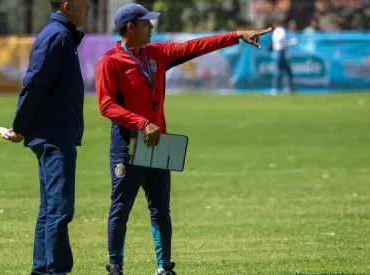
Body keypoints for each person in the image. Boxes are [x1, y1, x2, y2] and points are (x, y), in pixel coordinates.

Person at [94, 3, 272, 275]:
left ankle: (164, 268)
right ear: (130, 27)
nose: (152, 27)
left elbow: (196, 46)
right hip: (127, 147)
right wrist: (141, 123)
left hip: (158, 145)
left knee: (161, 209)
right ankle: (115, 267)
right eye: (146, 23)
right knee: (121, 208)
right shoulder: (110, 61)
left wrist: (237, 35)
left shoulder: (156, 53)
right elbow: (106, 105)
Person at [2, 1, 90, 274]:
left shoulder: (61, 35)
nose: (88, 6)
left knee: (50, 209)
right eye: (83, 2)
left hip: (54, 133)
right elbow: (35, 81)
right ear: (67, 6)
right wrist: (20, 125)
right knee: (60, 210)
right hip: (55, 135)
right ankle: (57, 271)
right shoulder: (57, 36)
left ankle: (42, 271)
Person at [270, 19, 298, 95]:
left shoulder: (277, 30)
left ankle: (286, 88)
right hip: (280, 52)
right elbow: (281, 40)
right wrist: (291, 42)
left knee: (286, 71)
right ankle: (276, 89)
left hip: (279, 52)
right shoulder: (280, 30)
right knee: (280, 71)